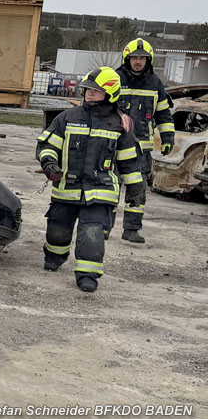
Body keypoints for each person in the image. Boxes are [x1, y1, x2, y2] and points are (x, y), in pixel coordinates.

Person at [36, 67, 144, 292]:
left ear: (110, 94)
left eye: (96, 90)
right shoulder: (67, 117)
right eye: (87, 89)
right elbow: (47, 145)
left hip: (100, 192)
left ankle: (88, 274)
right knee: (58, 231)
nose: (89, 93)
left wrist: (135, 189)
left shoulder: (121, 125)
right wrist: (49, 164)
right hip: (66, 189)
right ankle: (54, 258)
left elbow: (129, 162)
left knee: (92, 232)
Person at [111, 38, 175, 243]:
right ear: (126, 59)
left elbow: (163, 114)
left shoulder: (155, 84)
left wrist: (168, 138)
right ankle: (103, 226)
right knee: (109, 187)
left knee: (137, 189)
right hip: (114, 144)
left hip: (141, 149)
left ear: (149, 60)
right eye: (134, 58)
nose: (138, 61)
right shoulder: (114, 79)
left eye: (142, 58)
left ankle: (131, 229)